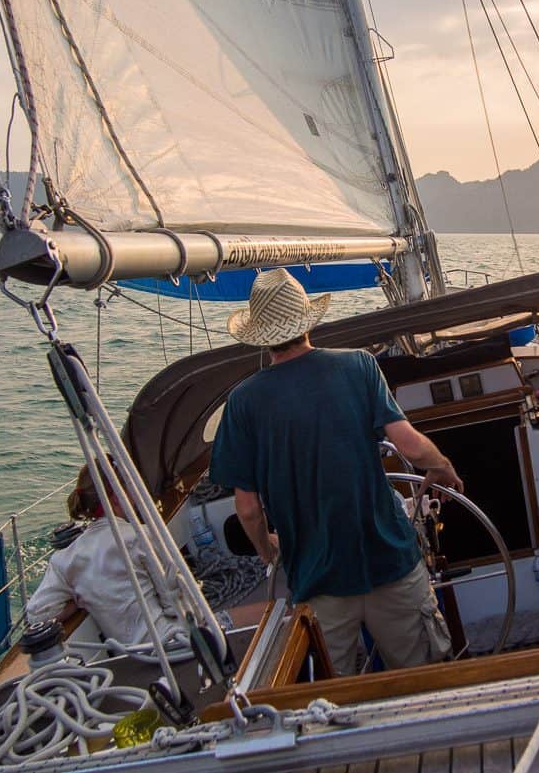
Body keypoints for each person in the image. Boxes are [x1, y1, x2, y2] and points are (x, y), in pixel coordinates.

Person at [209, 268, 461, 676]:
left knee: (330, 698)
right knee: (426, 680)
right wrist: (443, 465)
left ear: (261, 335)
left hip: (317, 580)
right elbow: (410, 445)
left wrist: (269, 551)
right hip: (389, 564)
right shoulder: (359, 367)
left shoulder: (243, 402)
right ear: (307, 321)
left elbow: (249, 510)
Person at [27, 460, 187, 646]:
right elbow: (176, 605)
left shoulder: (64, 558)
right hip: (175, 643)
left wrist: (79, 600)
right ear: (117, 497)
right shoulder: (142, 536)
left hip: (130, 657)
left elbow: (37, 614)